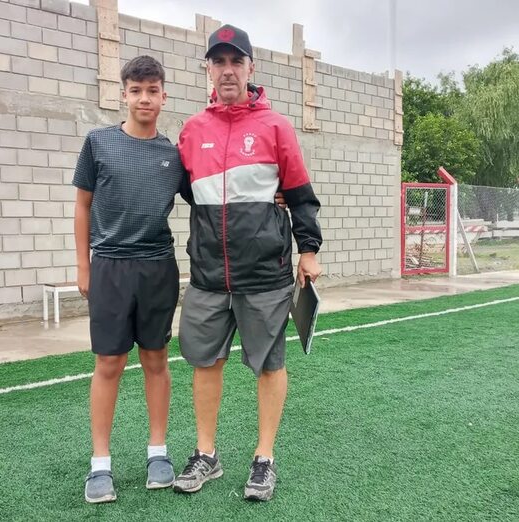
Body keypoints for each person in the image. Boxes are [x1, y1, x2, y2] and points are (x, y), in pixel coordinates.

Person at [172, 24, 323, 502]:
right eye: (219, 62)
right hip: (209, 275)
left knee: (270, 365)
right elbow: (184, 189)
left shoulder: (276, 126)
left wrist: (309, 250)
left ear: (251, 67)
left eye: (236, 61)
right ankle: (207, 455)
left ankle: (264, 459)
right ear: (209, 70)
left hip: (265, 274)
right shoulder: (193, 130)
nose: (228, 70)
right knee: (205, 362)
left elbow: (299, 194)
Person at [73, 55, 191, 503]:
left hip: (158, 267)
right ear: (123, 94)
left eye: (153, 90)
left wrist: (273, 194)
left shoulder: (172, 154)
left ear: (163, 96)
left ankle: (157, 453)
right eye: (136, 90)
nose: (145, 98)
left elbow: (207, 196)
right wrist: (84, 266)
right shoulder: (98, 143)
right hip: (109, 267)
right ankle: (99, 465)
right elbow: (82, 205)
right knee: (109, 363)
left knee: (157, 360)